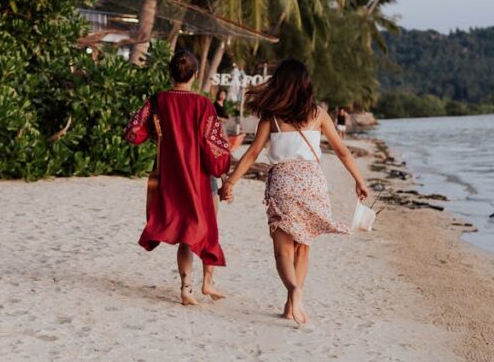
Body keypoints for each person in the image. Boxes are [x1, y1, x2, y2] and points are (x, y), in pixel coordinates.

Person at [219, 59, 369, 326]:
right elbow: (342, 151)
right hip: (313, 182)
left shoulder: (271, 117)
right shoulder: (319, 114)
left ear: (281, 84)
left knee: (282, 251)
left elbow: (252, 154)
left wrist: (231, 182)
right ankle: (291, 306)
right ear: (306, 85)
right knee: (303, 249)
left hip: (284, 183)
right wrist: (359, 181)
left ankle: (293, 292)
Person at [125, 48, 233, 305]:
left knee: (187, 232)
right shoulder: (204, 105)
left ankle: (187, 288)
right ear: (195, 75)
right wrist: (223, 169)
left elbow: (133, 132)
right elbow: (214, 146)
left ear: (170, 73)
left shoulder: (157, 100)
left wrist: (155, 130)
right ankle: (208, 282)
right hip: (200, 176)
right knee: (207, 227)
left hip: (170, 177)